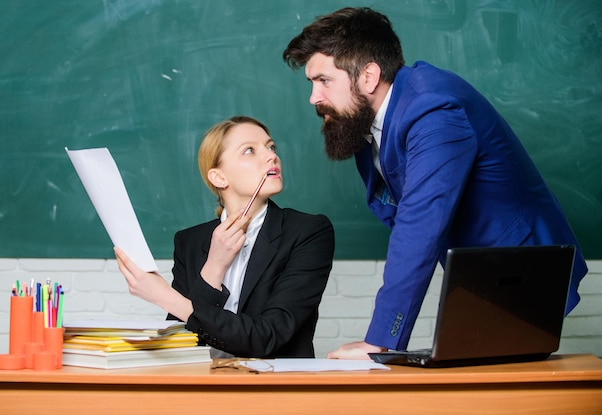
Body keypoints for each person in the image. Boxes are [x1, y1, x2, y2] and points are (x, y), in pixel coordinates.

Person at [282, 7, 588, 359]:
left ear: (368, 76)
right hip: (474, 272)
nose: (314, 97)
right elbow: (398, 210)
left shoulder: (431, 107)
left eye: (324, 81)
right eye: (311, 83)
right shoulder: (366, 122)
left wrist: (380, 341)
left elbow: (419, 222)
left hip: (522, 268)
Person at [115, 116, 335, 358]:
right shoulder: (189, 242)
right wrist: (214, 267)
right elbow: (184, 343)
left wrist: (164, 297)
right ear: (219, 177)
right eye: (250, 150)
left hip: (273, 388)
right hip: (203, 386)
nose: (271, 156)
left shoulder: (307, 232)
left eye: (271, 147)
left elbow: (269, 336)